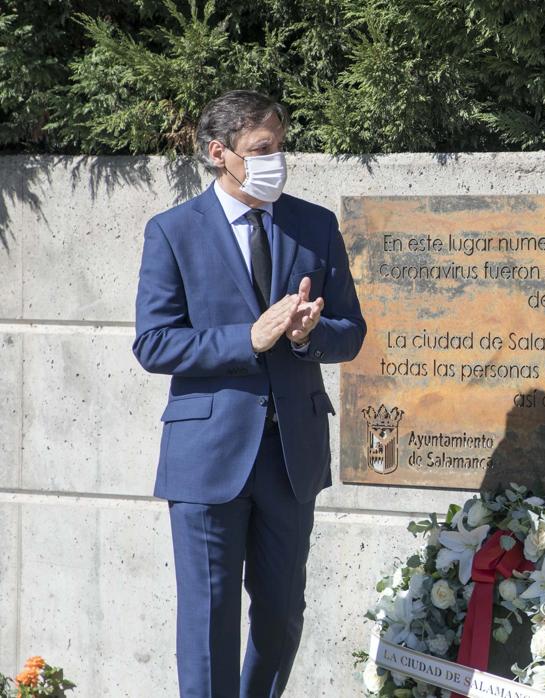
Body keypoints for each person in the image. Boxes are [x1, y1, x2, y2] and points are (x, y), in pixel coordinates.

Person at [133, 90, 366, 697]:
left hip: (292, 456)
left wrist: (306, 337)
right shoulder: (173, 232)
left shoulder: (314, 224)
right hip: (207, 458)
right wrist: (250, 338)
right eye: (262, 149)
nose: (276, 160)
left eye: (281, 147)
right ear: (220, 153)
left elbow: (351, 332)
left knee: (283, 616)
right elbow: (154, 343)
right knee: (208, 620)